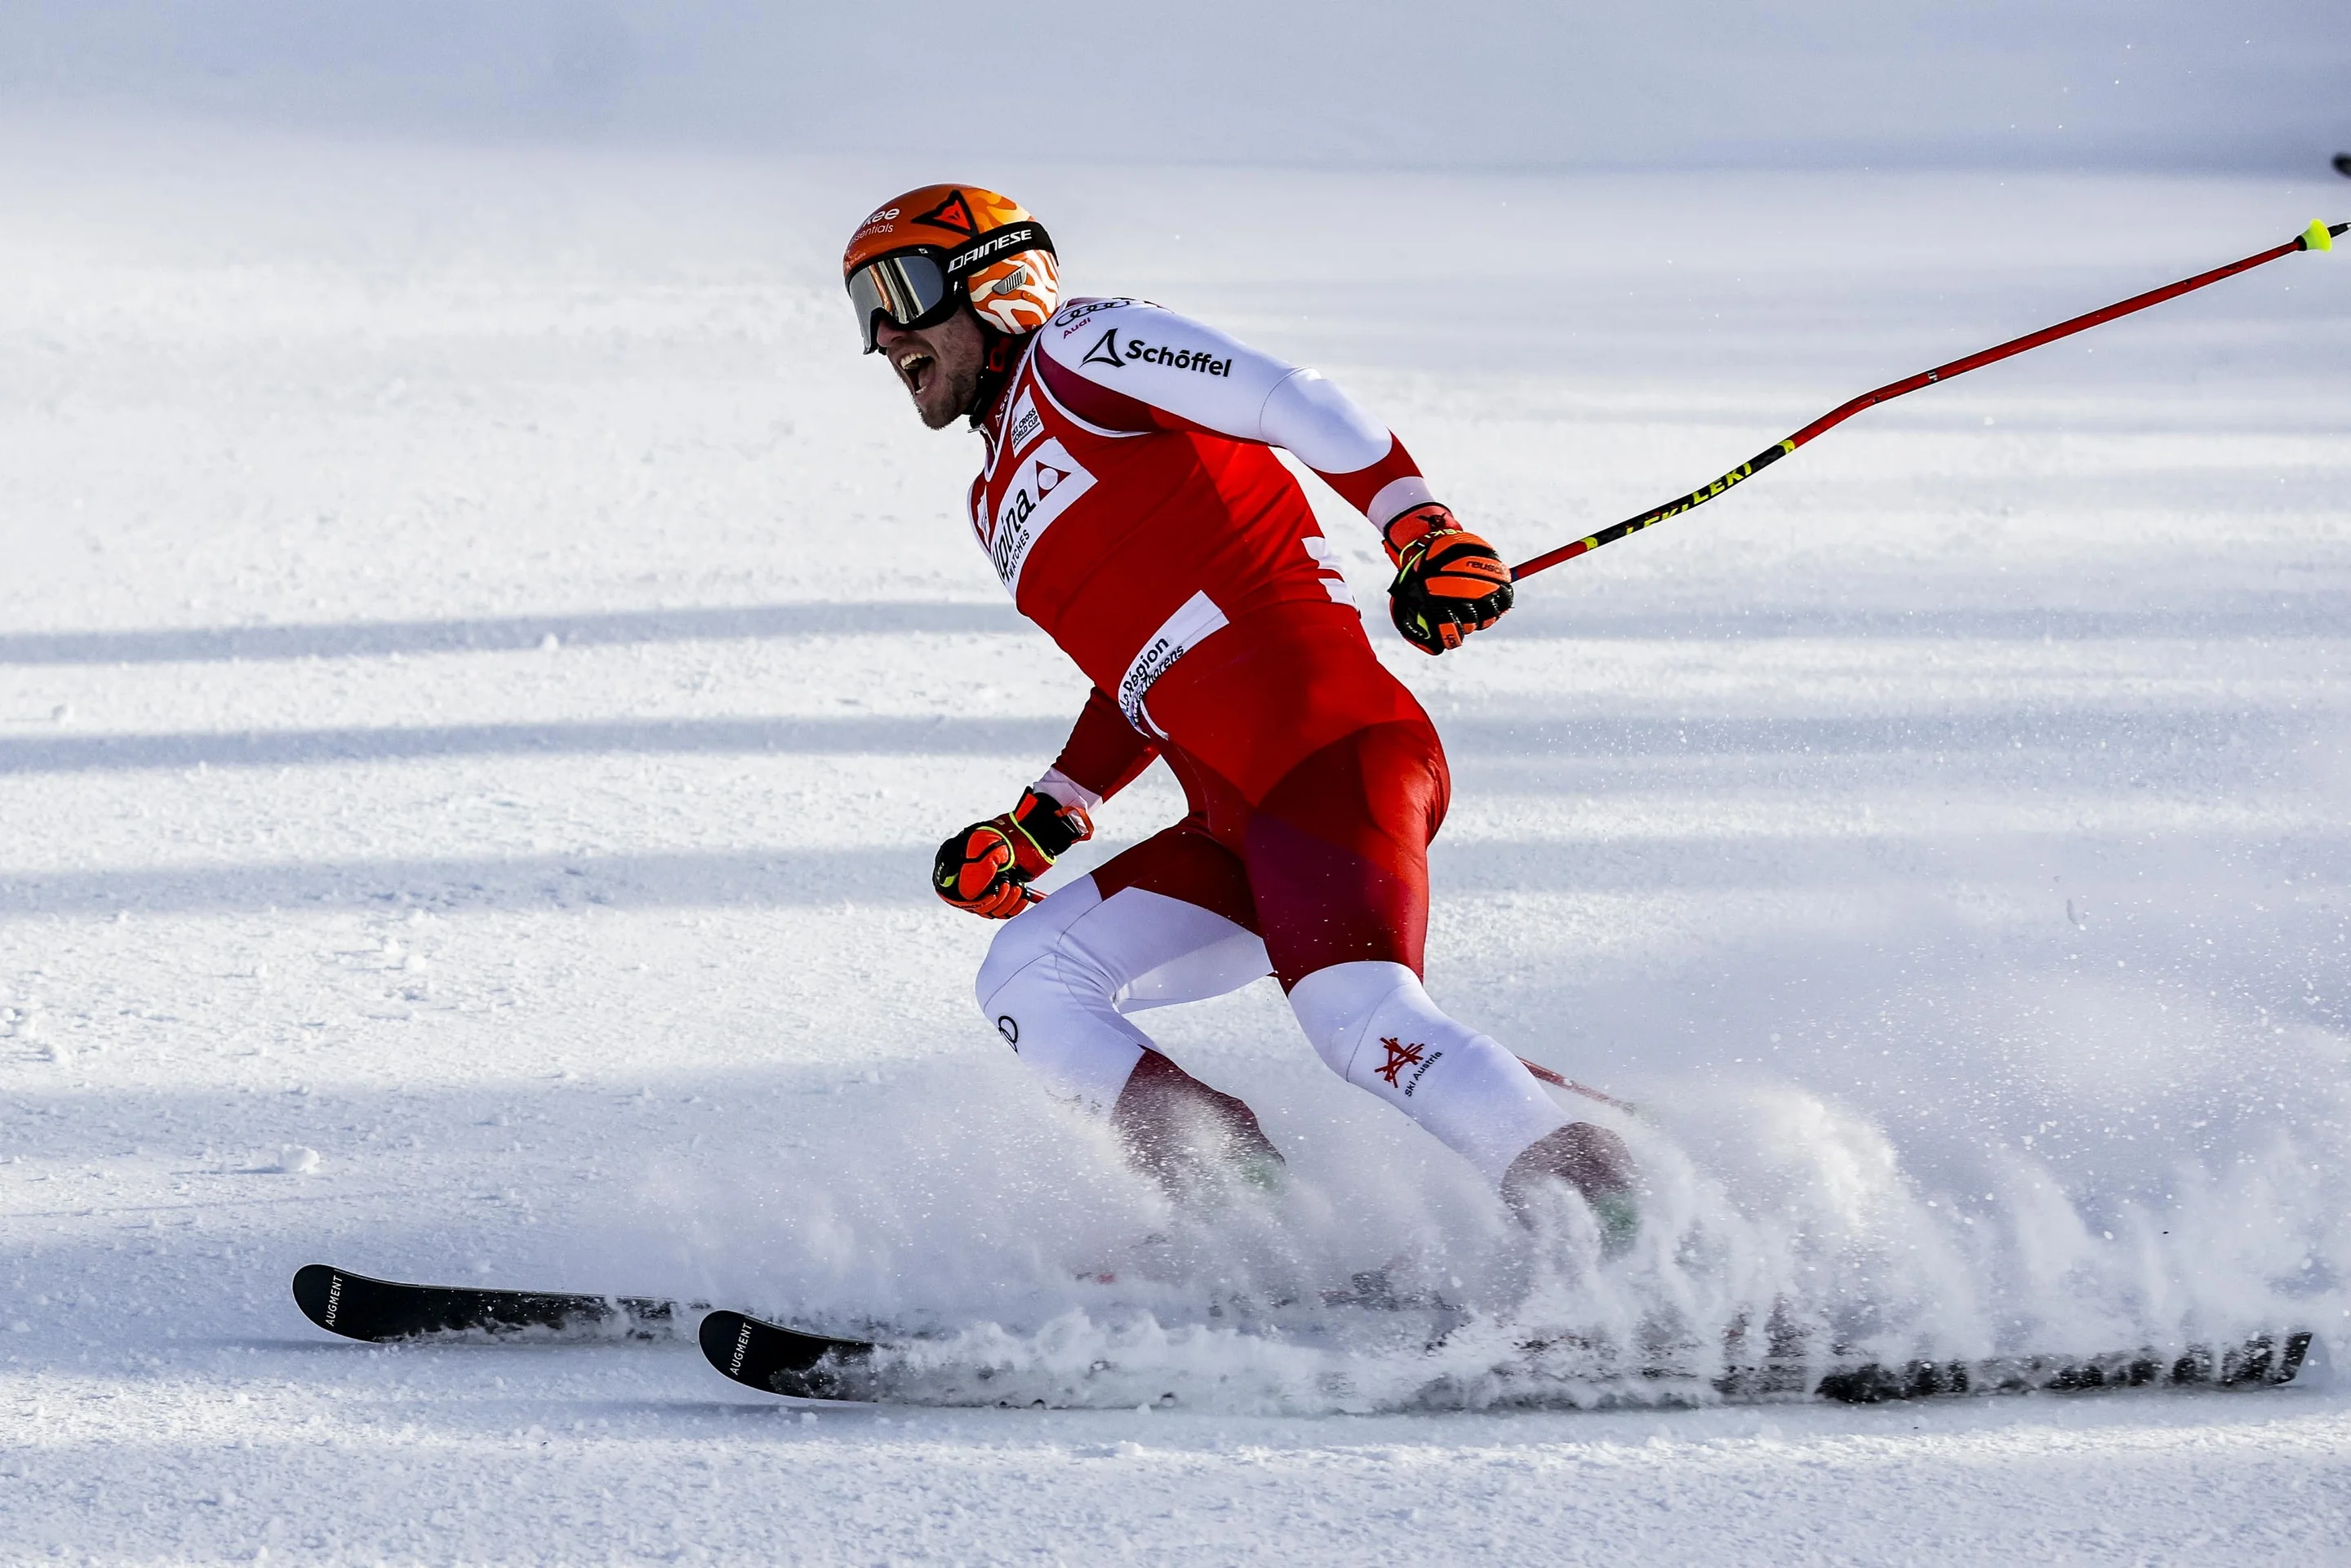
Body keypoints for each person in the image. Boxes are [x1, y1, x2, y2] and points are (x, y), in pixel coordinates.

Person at [842, 184, 1634, 1239]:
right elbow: (1139, 666)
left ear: (999, 279)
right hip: (1234, 818)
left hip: (1325, 751)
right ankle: (1250, 1225)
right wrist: (1046, 818)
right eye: (865, 311)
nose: (885, 334)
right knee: (1030, 974)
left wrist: (1421, 527)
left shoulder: (1082, 350)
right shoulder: (994, 501)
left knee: (1359, 1019)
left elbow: (1290, 398)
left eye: (901, 292)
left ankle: (1619, 1220)